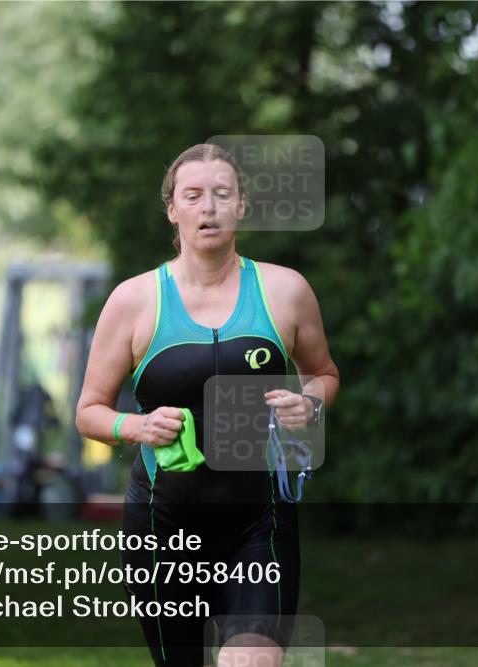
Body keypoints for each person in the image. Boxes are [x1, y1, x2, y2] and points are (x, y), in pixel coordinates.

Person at [76, 143, 340, 666]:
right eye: (193, 195)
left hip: (259, 521)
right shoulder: (135, 300)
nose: (209, 207)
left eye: (222, 194)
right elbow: (90, 410)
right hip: (163, 524)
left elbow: (324, 375)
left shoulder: (285, 291)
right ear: (173, 209)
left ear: (242, 204)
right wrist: (138, 426)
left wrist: (308, 408)